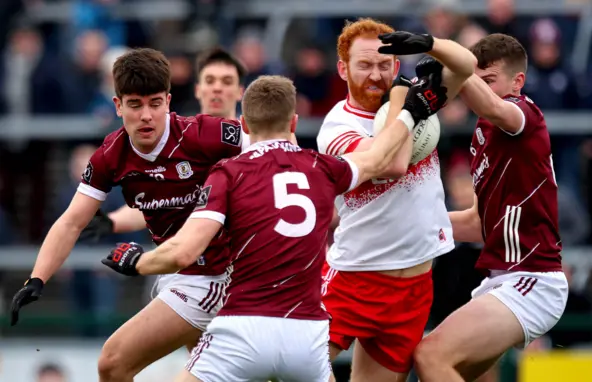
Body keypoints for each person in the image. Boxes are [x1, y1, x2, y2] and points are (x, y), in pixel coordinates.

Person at [99, 73, 446, 382]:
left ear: (244, 125)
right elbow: (379, 156)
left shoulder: (228, 173)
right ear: (294, 122)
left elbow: (184, 251)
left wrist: (137, 262)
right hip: (308, 338)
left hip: (244, 330)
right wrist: (410, 111)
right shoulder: (323, 168)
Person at [9, 48, 247, 382]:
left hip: (218, 275)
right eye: (135, 104)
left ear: (168, 100)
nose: (146, 115)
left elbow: (278, 147)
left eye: (155, 103)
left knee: (113, 362)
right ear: (118, 105)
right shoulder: (110, 156)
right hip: (175, 273)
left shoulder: (204, 134)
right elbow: (71, 221)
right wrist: (37, 278)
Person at [315, 19, 476, 380]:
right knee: (297, 370)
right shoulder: (338, 128)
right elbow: (394, 164)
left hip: (414, 286)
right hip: (355, 280)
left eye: (384, 64)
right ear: (343, 69)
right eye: (364, 65)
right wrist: (409, 105)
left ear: (397, 65)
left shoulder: (418, 100)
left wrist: (429, 42)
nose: (375, 74)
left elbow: (465, 65)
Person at [411, 33, 569, 382]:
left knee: (430, 356)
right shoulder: (484, 134)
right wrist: (407, 222)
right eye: (477, 80)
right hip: (501, 279)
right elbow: (478, 224)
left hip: (532, 279)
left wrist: (453, 64)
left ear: (518, 81)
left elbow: (494, 107)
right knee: (456, 371)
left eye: (489, 81)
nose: (481, 89)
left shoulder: (524, 113)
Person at [80, 47, 247, 242]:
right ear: (198, 89)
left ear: (240, 92)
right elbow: (156, 203)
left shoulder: (251, 143)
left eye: (227, 81)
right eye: (209, 80)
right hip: (185, 259)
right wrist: (113, 221)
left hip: (240, 252)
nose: (217, 88)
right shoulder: (177, 138)